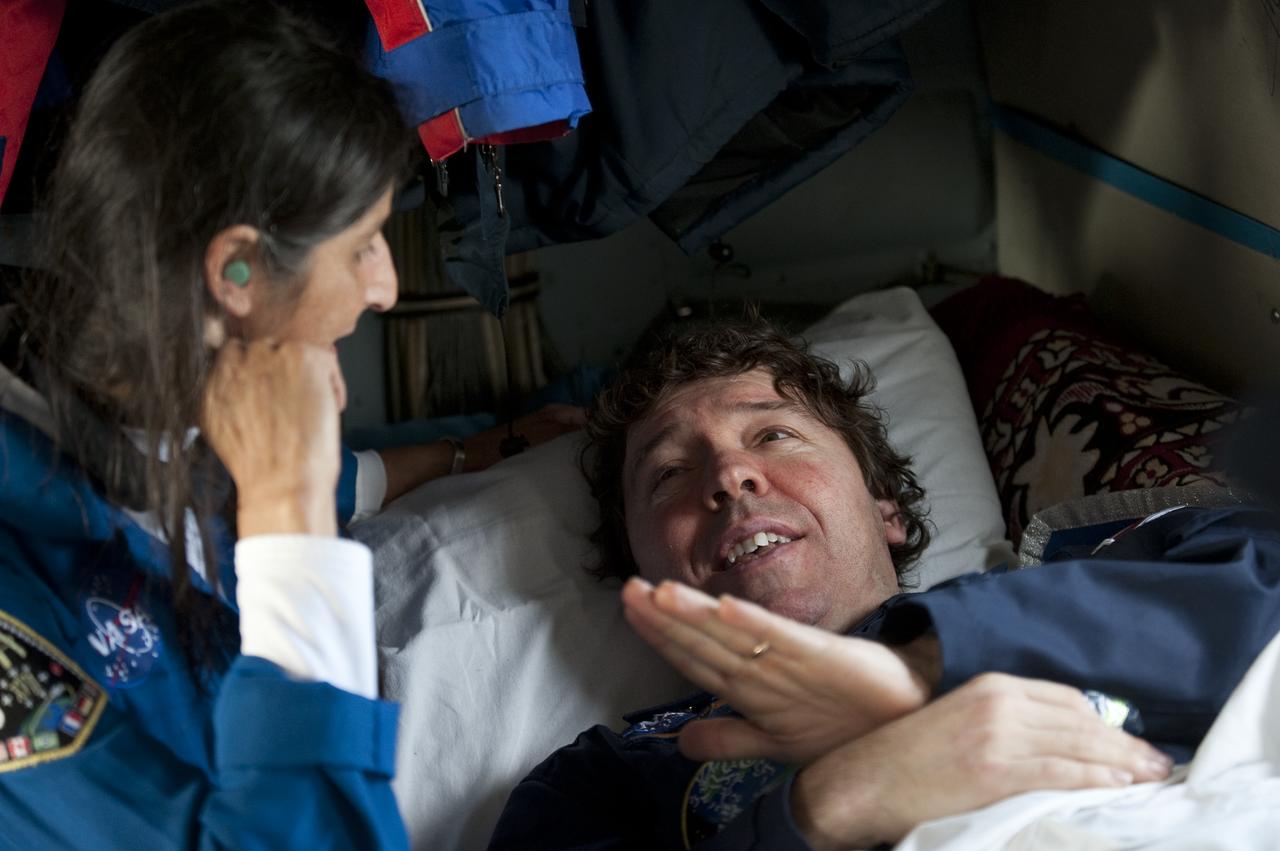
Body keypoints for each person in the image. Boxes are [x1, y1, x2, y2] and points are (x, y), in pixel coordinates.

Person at [0, 2, 579, 848]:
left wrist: (472, 450)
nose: (383, 287)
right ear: (235, 268)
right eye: (363, 245)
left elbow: (256, 479)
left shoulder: (144, 399)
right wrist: (291, 519)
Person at [487, 315, 1280, 850]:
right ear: (642, 569)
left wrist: (926, 663)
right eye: (667, 473)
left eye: (773, 433)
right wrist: (829, 805)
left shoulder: (1102, 564)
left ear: (885, 505)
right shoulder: (606, 779)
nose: (729, 474)